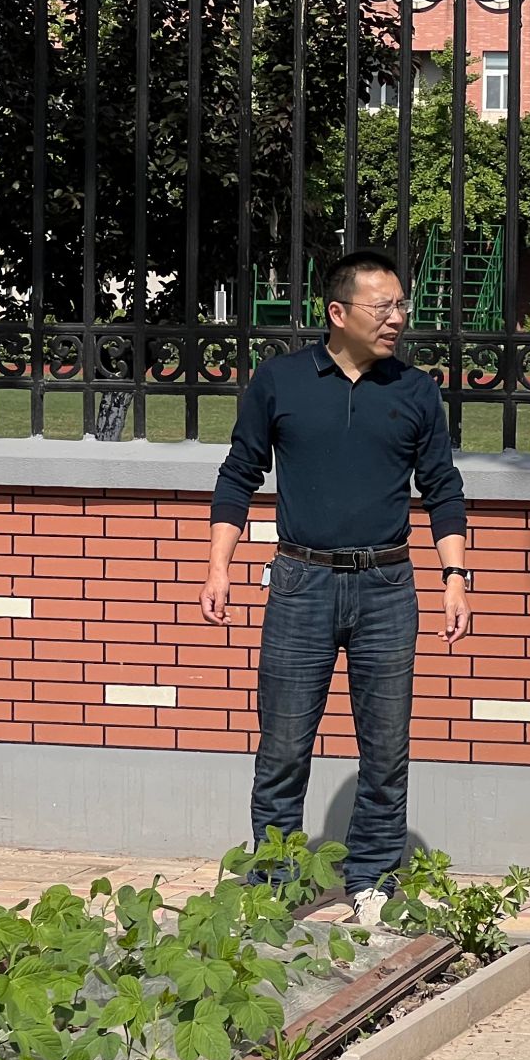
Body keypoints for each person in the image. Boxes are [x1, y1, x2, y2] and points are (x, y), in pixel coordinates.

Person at [202, 249, 470, 926]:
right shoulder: (280, 381)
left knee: (386, 749)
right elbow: (239, 474)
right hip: (301, 582)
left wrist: (455, 577)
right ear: (338, 313)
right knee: (283, 747)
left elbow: (443, 489)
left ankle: (374, 877)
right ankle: (275, 884)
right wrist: (218, 567)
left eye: (402, 306)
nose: (398, 318)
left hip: (388, 586)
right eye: (384, 307)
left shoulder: (416, 391)